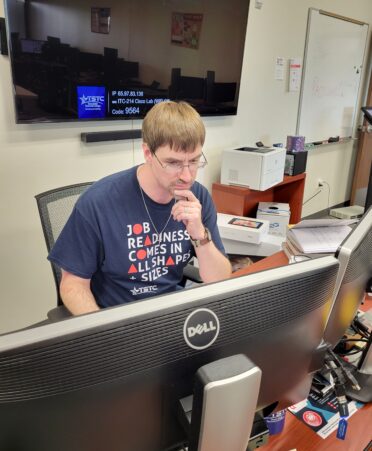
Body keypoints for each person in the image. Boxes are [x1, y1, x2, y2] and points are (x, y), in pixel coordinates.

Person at [48, 101, 232, 315]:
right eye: (173, 163)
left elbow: (220, 281)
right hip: (115, 317)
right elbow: (72, 285)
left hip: (169, 314)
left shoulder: (197, 197)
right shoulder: (98, 202)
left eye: (194, 161)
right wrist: (105, 332)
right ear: (147, 153)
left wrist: (200, 235)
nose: (186, 175)